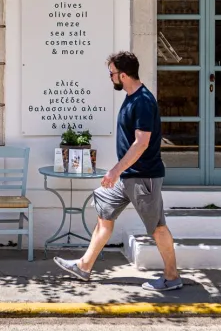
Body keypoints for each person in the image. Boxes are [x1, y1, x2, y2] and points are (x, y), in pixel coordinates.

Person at [53, 51, 182, 291]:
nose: (110, 77)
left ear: (122, 75)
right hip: (129, 176)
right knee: (104, 209)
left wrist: (114, 170)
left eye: (111, 73)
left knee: (157, 227)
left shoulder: (142, 101)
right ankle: (84, 266)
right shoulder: (131, 96)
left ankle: (172, 277)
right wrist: (119, 173)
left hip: (143, 177)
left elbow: (141, 143)